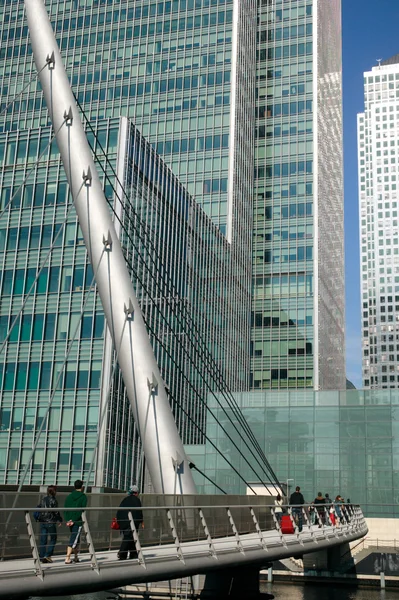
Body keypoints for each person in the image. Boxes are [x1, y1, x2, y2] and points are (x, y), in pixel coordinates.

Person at [117, 485, 144, 560]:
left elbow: (119, 511)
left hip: (123, 521)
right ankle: (123, 553)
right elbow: (139, 512)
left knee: (130, 537)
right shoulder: (137, 500)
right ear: (136, 493)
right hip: (132, 522)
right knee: (129, 537)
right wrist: (141, 521)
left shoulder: (125, 500)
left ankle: (133, 553)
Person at [64, 479, 88, 564]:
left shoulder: (69, 496)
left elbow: (65, 509)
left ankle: (76, 557)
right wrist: (74, 520)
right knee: (74, 539)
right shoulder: (83, 496)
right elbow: (82, 510)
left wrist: (68, 520)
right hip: (77, 522)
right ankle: (67, 558)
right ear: (82, 487)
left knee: (75, 539)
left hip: (69, 521)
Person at [38, 485, 62, 563]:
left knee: (43, 540)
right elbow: (56, 512)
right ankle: (47, 555)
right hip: (50, 522)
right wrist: (59, 519)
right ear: (55, 491)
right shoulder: (54, 500)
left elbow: (40, 508)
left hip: (42, 521)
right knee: (53, 538)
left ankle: (41, 556)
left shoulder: (43, 499)